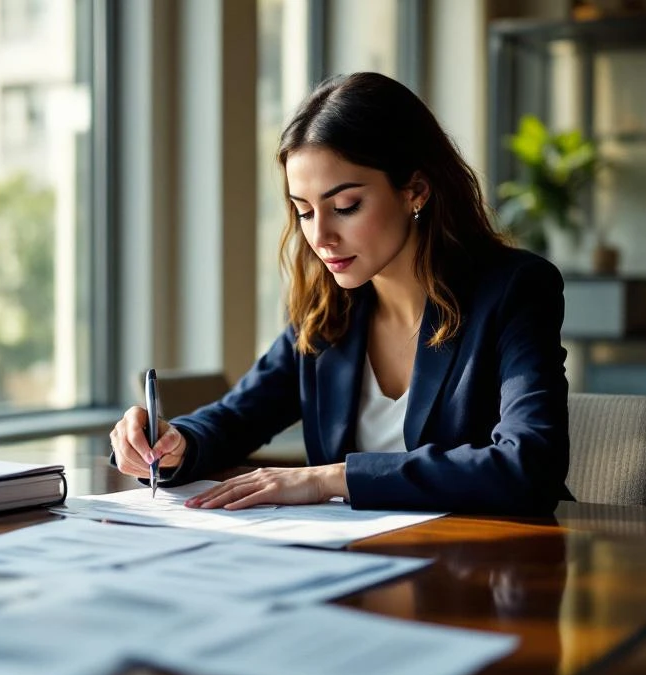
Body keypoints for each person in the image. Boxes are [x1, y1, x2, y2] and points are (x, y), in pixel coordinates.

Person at [109, 72, 571, 514]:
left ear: (416, 190)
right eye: (305, 212)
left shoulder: (513, 290)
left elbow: (528, 464)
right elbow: (236, 417)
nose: (321, 236)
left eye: (345, 206)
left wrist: (328, 479)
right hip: (360, 565)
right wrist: (170, 443)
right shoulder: (331, 309)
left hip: (491, 568)